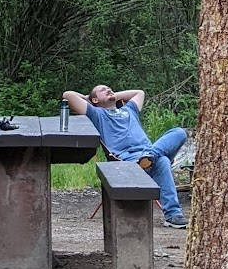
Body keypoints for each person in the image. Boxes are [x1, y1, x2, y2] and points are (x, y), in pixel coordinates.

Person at [63, 84, 189, 227]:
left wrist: (114, 95)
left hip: (147, 154)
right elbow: (68, 95)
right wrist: (87, 98)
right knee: (163, 161)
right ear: (95, 100)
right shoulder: (97, 114)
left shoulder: (129, 109)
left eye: (109, 88)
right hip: (127, 160)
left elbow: (140, 92)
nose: (108, 90)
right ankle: (173, 215)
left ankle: (150, 155)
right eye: (103, 90)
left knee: (179, 132)